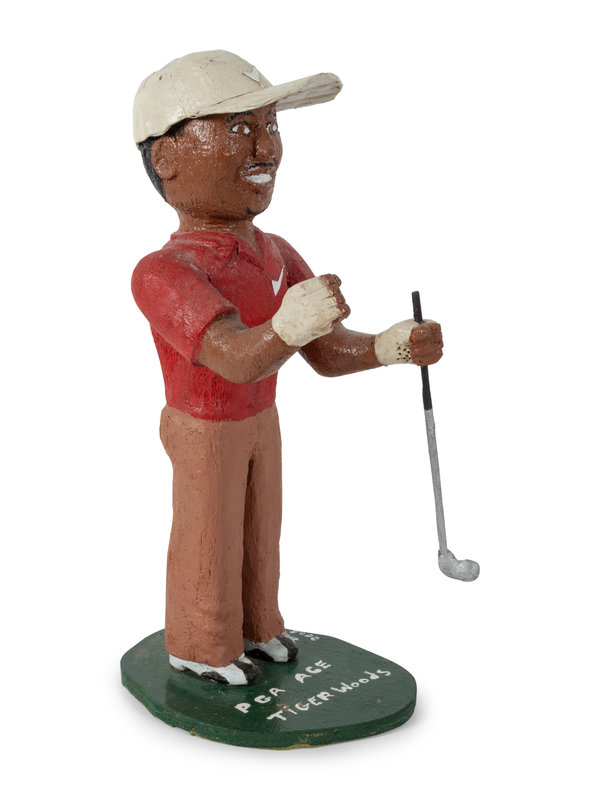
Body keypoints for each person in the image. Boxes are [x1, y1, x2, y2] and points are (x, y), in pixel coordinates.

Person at [132, 50, 443, 686]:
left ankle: (257, 624)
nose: (265, 147)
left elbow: (325, 351)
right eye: (238, 128)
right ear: (167, 158)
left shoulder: (275, 252)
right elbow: (232, 359)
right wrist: (286, 325)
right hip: (206, 427)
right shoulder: (163, 273)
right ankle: (200, 642)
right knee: (210, 533)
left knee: (260, 529)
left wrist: (387, 346)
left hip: (261, 420)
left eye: (270, 126)